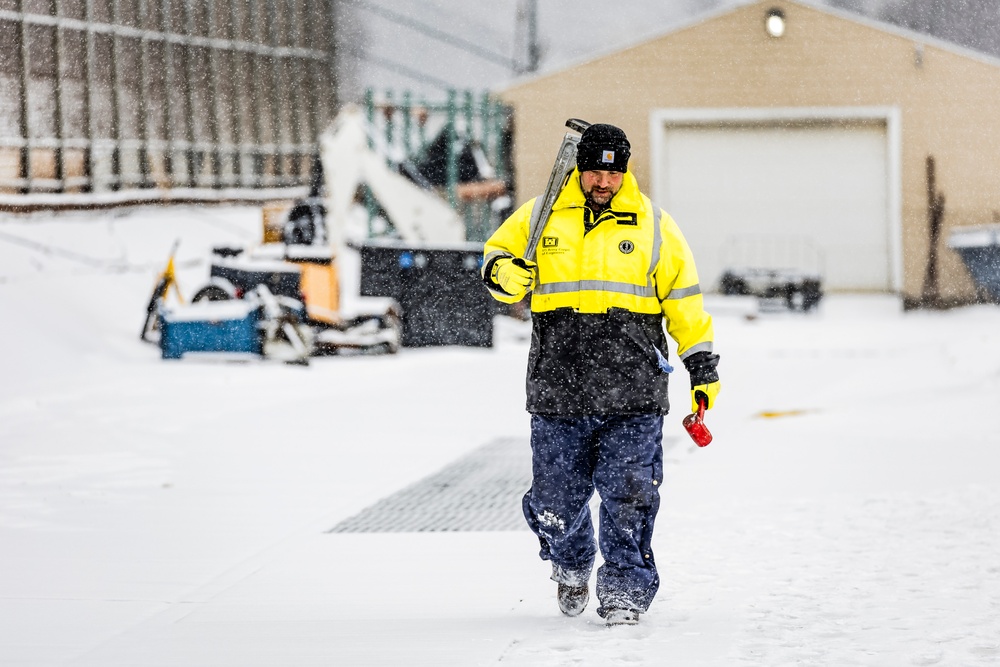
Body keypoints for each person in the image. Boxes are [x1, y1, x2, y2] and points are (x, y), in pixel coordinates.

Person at [481, 123, 721, 626]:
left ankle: (625, 589)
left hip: (633, 388)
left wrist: (702, 368)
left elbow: (686, 302)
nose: (603, 181)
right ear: (579, 168)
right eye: (594, 170)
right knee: (553, 501)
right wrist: (505, 274)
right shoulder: (540, 217)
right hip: (557, 387)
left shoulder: (653, 225)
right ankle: (570, 562)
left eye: (613, 171)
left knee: (629, 494)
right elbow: (495, 261)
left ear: (625, 170)